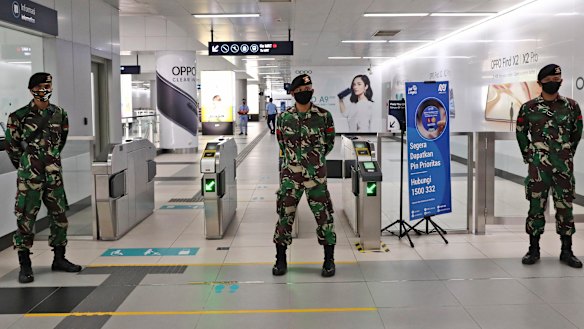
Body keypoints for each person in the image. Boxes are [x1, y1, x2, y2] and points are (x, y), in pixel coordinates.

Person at [4, 72, 82, 284]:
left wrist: (49, 161)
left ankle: (59, 258)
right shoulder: (18, 116)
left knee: (60, 217)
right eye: (39, 86)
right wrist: (27, 165)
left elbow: (60, 142)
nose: (44, 89)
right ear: (31, 90)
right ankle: (25, 265)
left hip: (53, 176)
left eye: (47, 85)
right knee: (26, 219)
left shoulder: (59, 114)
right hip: (29, 178)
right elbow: (12, 147)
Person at [516, 64, 583, 268]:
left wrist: (567, 153)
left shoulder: (571, 106)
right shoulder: (529, 108)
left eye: (558, 80)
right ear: (540, 83)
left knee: (565, 208)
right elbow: (521, 132)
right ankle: (533, 249)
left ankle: (567, 251)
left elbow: (577, 132)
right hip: (538, 169)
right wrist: (529, 155)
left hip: (563, 168)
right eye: (550, 81)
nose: (555, 83)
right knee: (536, 207)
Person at [272, 74, 337, 277]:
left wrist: (313, 162)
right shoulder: (283, 118)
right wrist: (296, 163)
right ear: (293, 93)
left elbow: (330, 142)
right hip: (290, 178)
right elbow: (281, 142)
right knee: (285, 217)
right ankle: (280, 260)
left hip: (316, 178)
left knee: (324, 218)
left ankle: (329, 260)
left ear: (312, 91)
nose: (304, 93)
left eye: (307, 90)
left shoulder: (324, 116)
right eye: (299, 91)